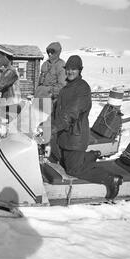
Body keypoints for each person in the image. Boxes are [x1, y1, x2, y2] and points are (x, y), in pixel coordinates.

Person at [50, 55, 122, 199]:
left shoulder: (82, 88)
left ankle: (110, 179)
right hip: (65, 136)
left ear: (79, 70)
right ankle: (91, 155)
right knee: (62, 162)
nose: (70, 72)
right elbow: (59, 112)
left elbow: (71, 113)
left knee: (73, 170)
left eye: (74, 69)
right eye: (68, 69)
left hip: (75, 138)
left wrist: (53, 128)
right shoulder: (66, 88)